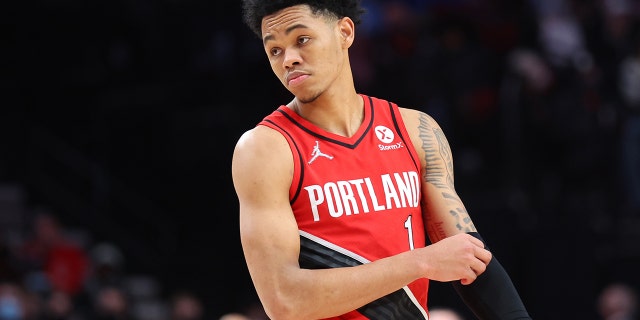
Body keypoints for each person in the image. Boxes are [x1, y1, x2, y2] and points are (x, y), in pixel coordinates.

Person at [232, 1, 532, 319]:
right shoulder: (265, 148)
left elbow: (470, 258)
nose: (289, 59)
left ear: (345, 32)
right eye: (275, 50)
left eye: (301, 40)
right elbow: (284, 301)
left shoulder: (415, 130)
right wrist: (420, 262)